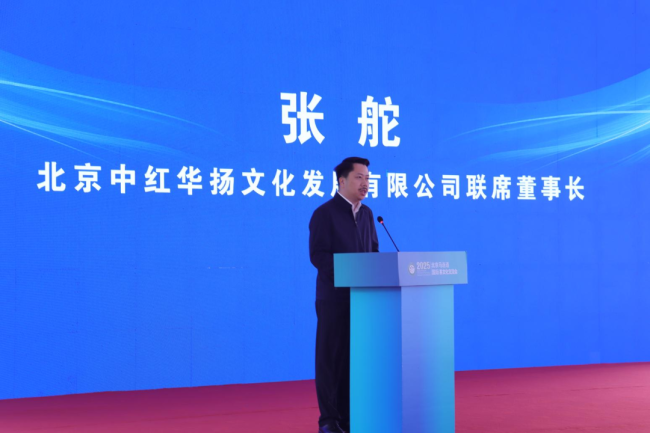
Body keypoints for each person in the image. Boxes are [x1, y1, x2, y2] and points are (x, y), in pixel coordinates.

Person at [309, 156, 379, 433]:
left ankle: (349, 418)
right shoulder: (324, 213)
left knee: (354, 360)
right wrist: (347, 274)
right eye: (359, 177)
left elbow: (373, 252)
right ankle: (328, 420)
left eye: (367, 178)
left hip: (362, 300)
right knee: (330, 359)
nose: (365, 183)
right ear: (342, 180)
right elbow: (318, 256)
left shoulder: (368, 214)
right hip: (334, 299)